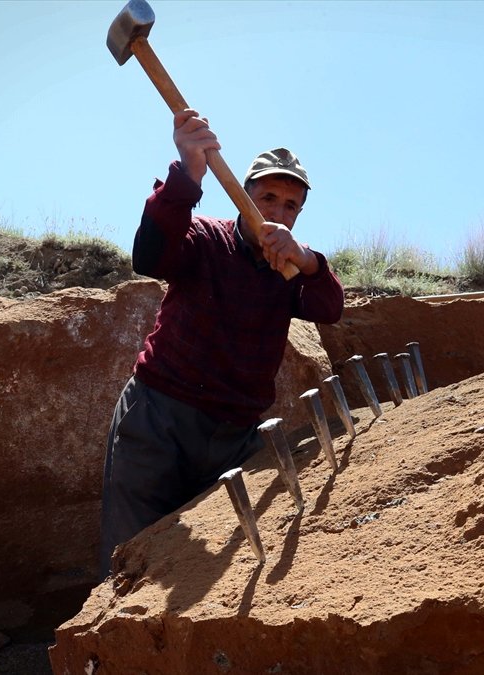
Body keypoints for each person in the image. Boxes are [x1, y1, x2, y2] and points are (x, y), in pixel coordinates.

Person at [99, 109, 344, 574]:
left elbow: (330, 308)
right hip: (157, 417)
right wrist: (186, 177)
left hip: (234, 435)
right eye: (267, 197)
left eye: (290, 205)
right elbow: (149, 255)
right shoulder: (206, 238)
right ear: (243, 196)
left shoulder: (289, 268)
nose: (276, 211)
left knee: (220, 566)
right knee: (129, 555)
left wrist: (309, 261)